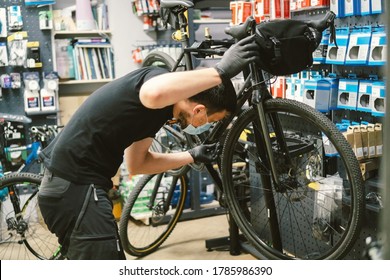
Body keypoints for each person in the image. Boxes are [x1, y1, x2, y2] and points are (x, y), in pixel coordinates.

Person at [37, 35, 260, 260]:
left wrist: (191, 155)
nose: (206, 127)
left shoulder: (157, 112)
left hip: (68, 189)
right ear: (199, 110)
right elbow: (153, 93)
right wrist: (221, 71)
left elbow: (138, 164)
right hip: (76, 189)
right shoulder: (156, 83)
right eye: (211, 121)